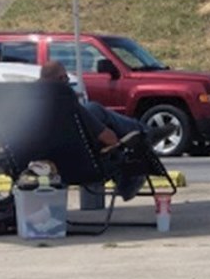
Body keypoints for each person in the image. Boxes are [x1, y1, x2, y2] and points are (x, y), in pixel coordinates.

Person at [38, 60, 175, 200]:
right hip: (84, 168)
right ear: (61, 79)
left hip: (48, 167)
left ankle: (144, 133)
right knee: (96, 112)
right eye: (66, 78)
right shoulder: (70, 108)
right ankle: (145, 134)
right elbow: (110, 139)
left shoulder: (33, 113)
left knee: (94, 112)